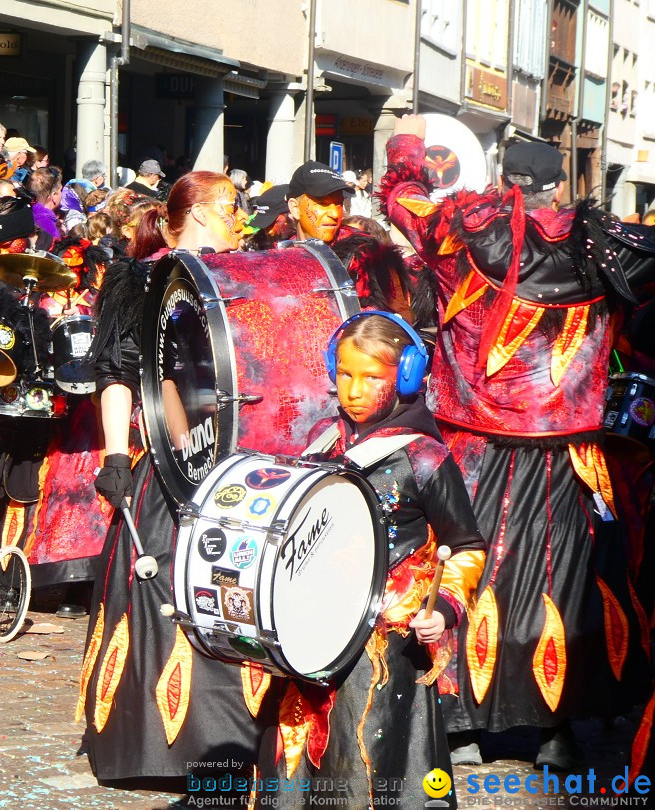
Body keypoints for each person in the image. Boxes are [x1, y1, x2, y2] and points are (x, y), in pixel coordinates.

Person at [382, 114, 655, 769]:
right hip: (568, 451)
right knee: (559, 582)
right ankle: (552, 726)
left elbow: (398, 193)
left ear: (507, 183)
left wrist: (411, 140)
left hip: (471, 445)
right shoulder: (609, 246)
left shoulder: (455, 229)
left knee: (466, 571)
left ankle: (460, 721)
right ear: (559, 191)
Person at [82, 171, 270, 798]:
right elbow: (116, 371)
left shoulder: (247, 274)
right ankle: (163, 742)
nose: (240, 219)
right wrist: (114, 456)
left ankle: (241, 737)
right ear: (198, 211)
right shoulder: (137, 278)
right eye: (231, 207)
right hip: (168, 465)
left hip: (239, 460)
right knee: (170, 586)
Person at [256, 311, 486, 809]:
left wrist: (442, 609)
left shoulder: (424, 459)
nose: (354, 390)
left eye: (372, 377)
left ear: (404, 377)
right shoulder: (323, 440)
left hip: (382, 645)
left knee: (367, 761)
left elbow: (467, 546)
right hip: (314, 628)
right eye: (344, 374)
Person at [284, 160, 353, 243]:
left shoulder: (360, 252)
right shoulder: (279, 254)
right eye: (322, 203)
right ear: (295, 208)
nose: (335, 214)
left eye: (339, 203)